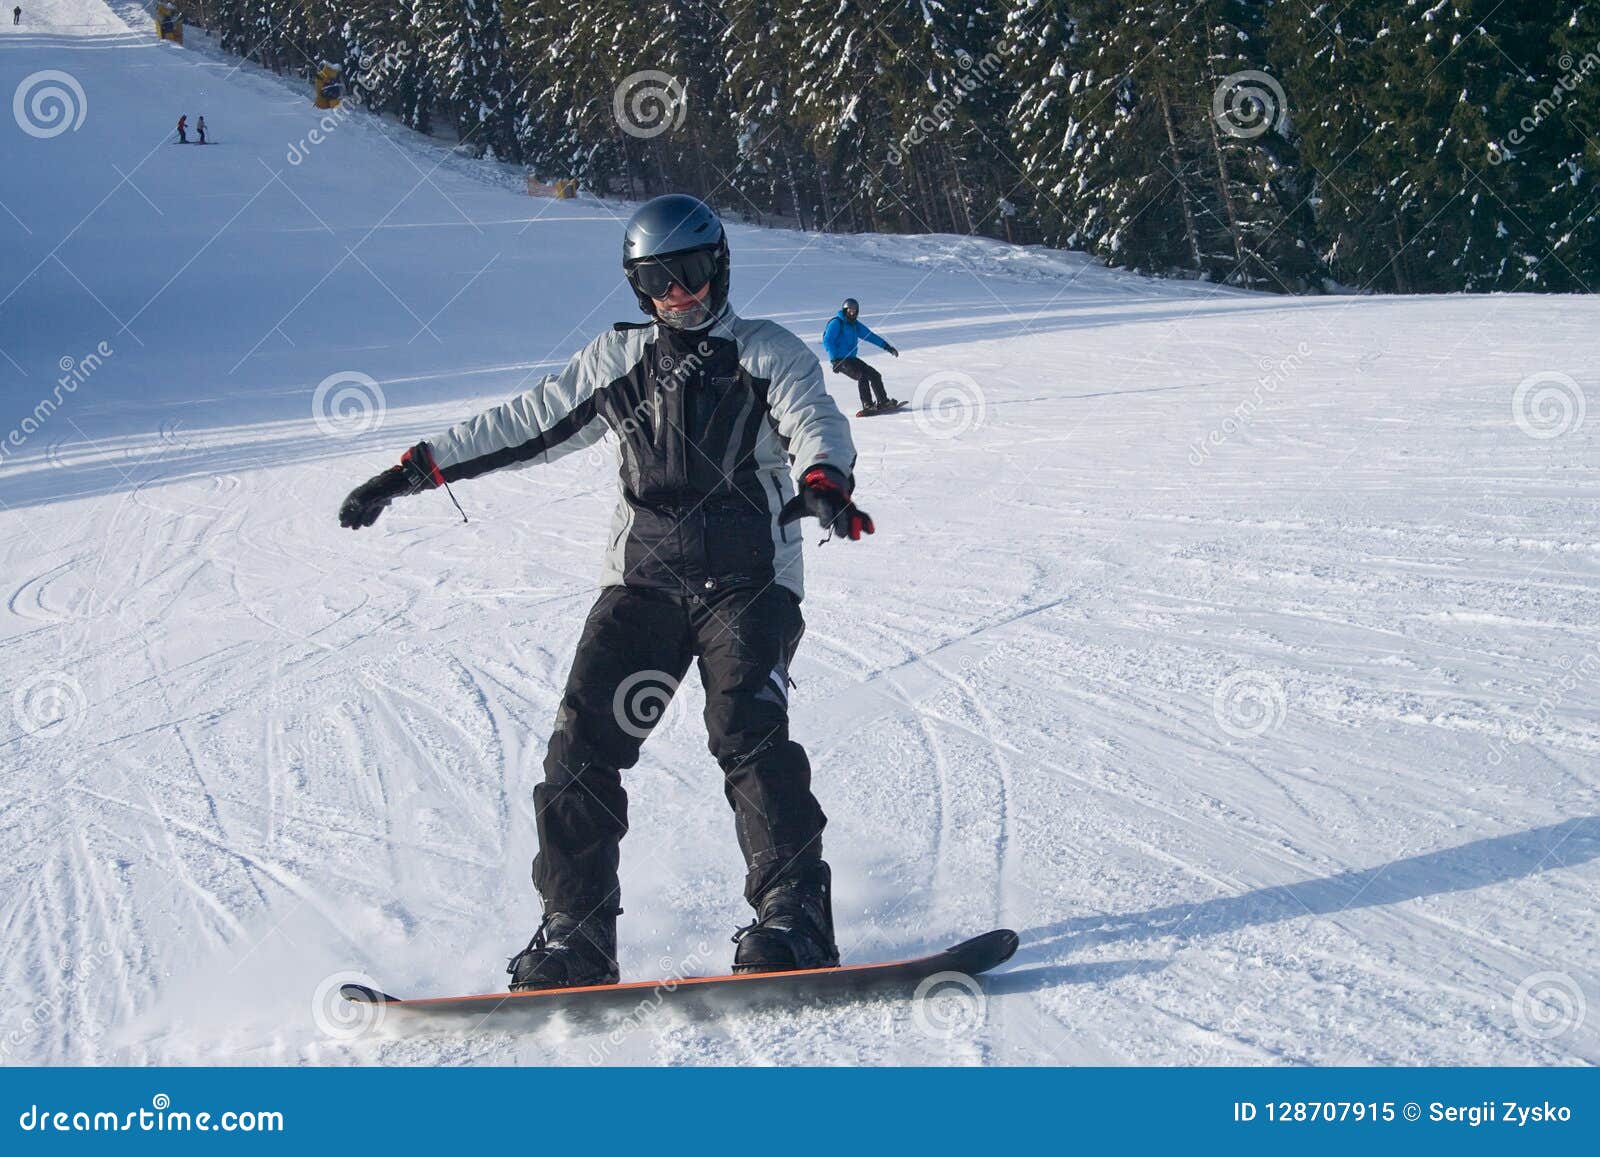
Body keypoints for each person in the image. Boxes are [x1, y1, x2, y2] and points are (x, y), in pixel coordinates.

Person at [337, 194, 875, 991]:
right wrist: (413, 471)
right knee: (583, 747)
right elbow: (523, 422)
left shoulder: (766, 353)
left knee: (747, 730)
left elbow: (814, 420)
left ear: (719, 266)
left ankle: (794, 914)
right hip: (645, 585)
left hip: (751, 580)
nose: (679, 293)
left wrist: (825, 481)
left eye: (691, 272)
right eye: (658, 280)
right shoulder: (617, 364)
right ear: (637, 289)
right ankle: (576, 935)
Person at [822, 298, 899, 415]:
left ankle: (883, 401)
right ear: (845, 310)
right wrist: (834, 360)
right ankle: (867, 405)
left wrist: (887, 347)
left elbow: (870, 336)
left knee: (874, 374)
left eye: (855, 311)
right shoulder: (837, 323)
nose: (852, 313)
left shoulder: (855, 325)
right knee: (861, 376)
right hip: (840, 360)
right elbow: (828, 341)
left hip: (852, 359)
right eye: (850, 310)